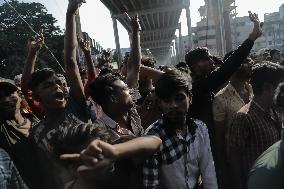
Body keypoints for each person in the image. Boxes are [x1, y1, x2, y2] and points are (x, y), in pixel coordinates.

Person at [27, 0, 92, 188]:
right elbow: (46, 174)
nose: (58, 87)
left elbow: (71, 63)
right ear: (36, 97)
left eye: (59, 83)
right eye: (48, 86)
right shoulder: (37, 134)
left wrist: (70, 14)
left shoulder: (76, 107)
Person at [185, 12, 263, 156]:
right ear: (197, 64)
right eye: (208, 59)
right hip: (205, 148)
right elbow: (228, 68)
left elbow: (226, 66)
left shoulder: (203, 83)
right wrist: (251, 38)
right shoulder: (197, 86)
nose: (212, 62)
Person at [143, 70, 218, 189]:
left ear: (190, 98)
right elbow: (151, 186)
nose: (174, 105)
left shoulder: (200, 129)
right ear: (160, 104)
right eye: (167, 100)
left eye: (179, 98)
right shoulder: (153, 138)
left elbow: (208, 172)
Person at [228, 62, 284, 189]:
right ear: (267, 87)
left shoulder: (276, 110)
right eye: (280, 87)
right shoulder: (244, 117)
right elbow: (234, 160)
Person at [55, 123, 162, 189]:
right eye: (95, 155)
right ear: (73, 169)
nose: (104, 159)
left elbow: (155, 142)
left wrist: (115, 151)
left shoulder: (119, 161)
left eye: (103, 148)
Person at [89, 13, 144, 137]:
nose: (130, 91)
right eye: (125, 89)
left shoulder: (129, 110)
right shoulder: (100, 133)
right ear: (113, 98)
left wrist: (135, 32)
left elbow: (134, 68)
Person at [212, 54, 254, 189]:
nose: (250, 64)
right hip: (236, 160)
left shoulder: (253, 89)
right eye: (244, 61)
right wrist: (223, 166)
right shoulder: (221, 98)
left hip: (257, 150)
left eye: (250, 60)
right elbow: (220, 135)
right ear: (232, 66)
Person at [0, 81, 41, 189]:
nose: (5, 100)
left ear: (19, 95)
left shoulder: (37, 120)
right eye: (0, 97)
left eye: (9, 94)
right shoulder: (2, 132)